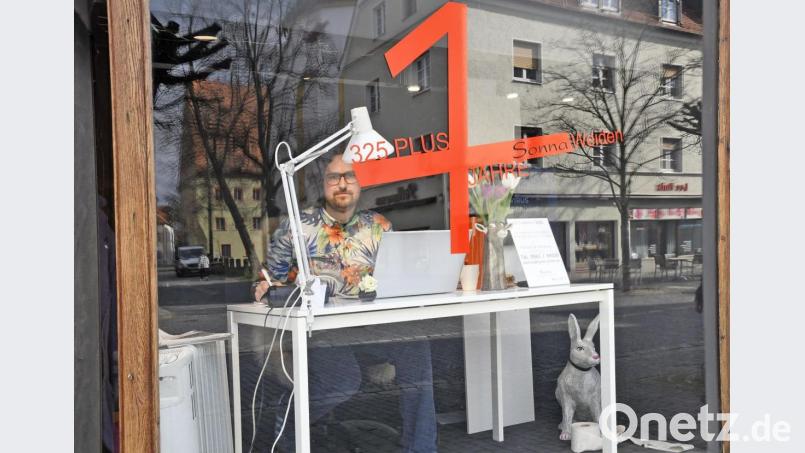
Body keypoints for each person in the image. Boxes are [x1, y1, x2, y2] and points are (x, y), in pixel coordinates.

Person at [254, 152, 437, 452]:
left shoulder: (379, 226)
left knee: (417, 347)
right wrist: (264, 286)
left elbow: (403, 274)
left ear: (360, 183)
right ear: (323, 184)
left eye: (349, 176)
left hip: (370, 327)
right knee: (343, 380)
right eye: (333, 177)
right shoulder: (298, 227)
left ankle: (420, 448)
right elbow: (267, 281)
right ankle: (287, 428)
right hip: (321, 332)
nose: (342, 184)